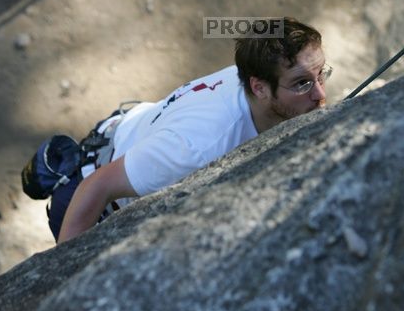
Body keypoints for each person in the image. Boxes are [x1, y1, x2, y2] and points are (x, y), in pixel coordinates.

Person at [55, 17, 331, 243]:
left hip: (128, 136)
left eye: (321, 74)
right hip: (90, 205)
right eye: (301, 84)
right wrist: (58, 272)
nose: (320, 94)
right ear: (259, 87)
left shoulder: (257, 75)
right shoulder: (201, 145)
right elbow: (98, 186)